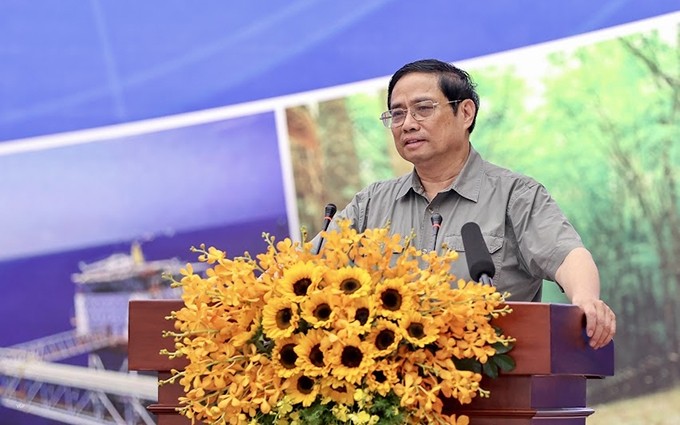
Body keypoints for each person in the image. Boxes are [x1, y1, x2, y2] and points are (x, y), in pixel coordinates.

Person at [325, 59, 615, 349]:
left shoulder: (515, 194)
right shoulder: (372, 203)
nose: (408, 124)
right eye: (397, 114)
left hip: (494, 380)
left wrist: (586, 299)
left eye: (423, 109)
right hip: (391, 382)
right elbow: (313, 264)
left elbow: (566, 255)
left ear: (465, 113)